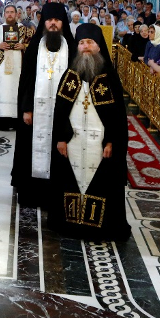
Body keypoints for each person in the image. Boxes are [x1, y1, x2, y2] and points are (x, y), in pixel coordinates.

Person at [46, 23, 130, 241]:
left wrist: (111, 141)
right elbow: (60, 111)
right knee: (71, 180)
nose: (85, 47)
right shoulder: (70, 75)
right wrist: (61, 139)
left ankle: (98, 227)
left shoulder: (109, 78)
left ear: (99, 46)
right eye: (82, 43)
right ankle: (69, 223)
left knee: (100, 181)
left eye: (90, 43)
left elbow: (117, 117)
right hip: (72, 142)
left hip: (99, 144)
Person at [12, 2, 75, 209]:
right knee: (32, 150)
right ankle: (32, 193)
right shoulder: (34, 47)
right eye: (49, 20)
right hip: (36, 112)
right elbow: (27, 81)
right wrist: (27, 108)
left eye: (57, 20)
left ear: (62, 22)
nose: (53, 24)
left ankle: (56, 194)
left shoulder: (71, 48)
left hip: (63, 113)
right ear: (44, 22)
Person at [0, 5, 30, 131]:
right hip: (1, 69)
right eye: (7, 12)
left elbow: (34, 45)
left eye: (12, 12)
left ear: (17, 14)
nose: (9, 15)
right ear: (4, 14)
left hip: (19, 68)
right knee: (1, 91)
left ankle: (16, 121)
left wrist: (24, 46)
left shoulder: (24, 30)